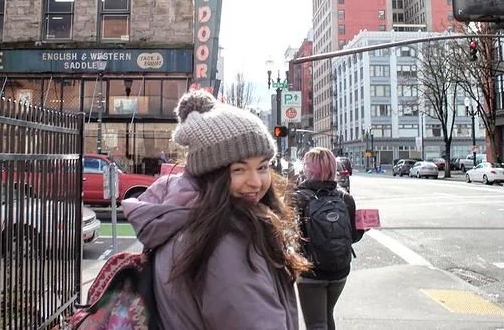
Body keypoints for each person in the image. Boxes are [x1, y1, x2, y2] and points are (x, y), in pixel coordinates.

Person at [124, 90, 310, 330]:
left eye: (262, 167)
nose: (255, 182)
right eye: (239, 170)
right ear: (212, 175)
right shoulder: (226, 243)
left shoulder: (187, 217)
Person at [294, 147, 365, 330]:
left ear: (309, 169)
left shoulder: (298, 199)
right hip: (340, 272)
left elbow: (292, 239)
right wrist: (362, 229)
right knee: (327, 316)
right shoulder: (345, 198)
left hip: (310, 273)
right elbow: (353, 237)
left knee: (316, 323)